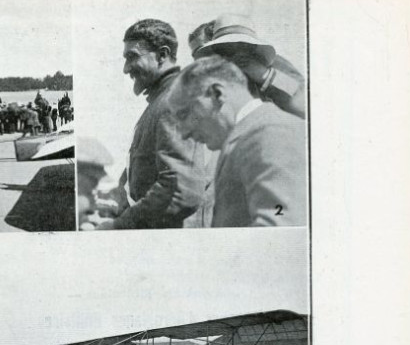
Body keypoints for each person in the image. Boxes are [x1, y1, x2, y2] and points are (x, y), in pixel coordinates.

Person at [89, 19, 212, 230]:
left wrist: (120, 225)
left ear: (162, 55)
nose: (126, 69)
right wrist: (117, 198)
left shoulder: (173, 102)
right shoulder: (162, 100)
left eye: (132, 57)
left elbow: (180, 190)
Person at [168, 56, 307, 228]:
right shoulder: (251, 136)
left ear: (217, 94)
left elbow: (279, 227)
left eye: (184, 115)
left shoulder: (270, 134)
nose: (183, 133)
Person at [189, 14, 306, 121]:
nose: (231, 54)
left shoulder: (273, 64)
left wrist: (264, 75)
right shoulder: (219, 80)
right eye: (223, 49)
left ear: (251, 46)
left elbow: (307, 104)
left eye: (240, 46)